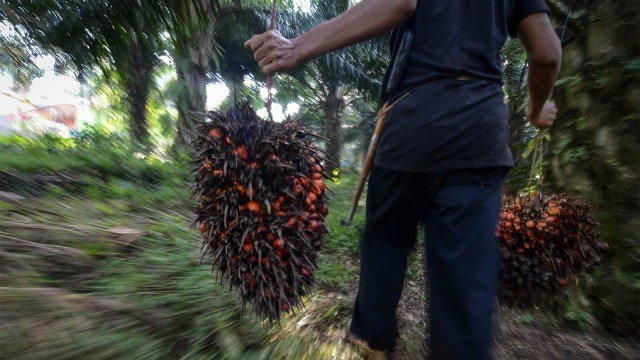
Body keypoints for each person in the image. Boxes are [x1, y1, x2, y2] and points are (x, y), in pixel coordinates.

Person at [245, 0, 561, 358]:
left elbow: (398, 2)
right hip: (479, 135)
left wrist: (298, 46)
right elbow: (547, 53)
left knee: (385, 244)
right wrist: (535, 111)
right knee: (464, 284)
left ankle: (372, 344)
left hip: (411, 127)